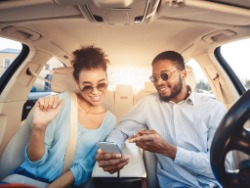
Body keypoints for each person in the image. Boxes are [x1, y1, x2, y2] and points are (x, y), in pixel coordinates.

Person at [96, 51, 232, 187]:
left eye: (165, 75)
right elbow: (121, 131)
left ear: (183, 75)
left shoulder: (214, 109)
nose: (159, 82)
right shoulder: (148, 104)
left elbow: (223, 166)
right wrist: (112, 152)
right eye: (154, 78)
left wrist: (169, 150)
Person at [9, 46, 116, 187]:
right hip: (28, 179)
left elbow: (85, 167)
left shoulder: (110, 121)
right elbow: (34, 161)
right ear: (78, 84)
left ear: (107, 80)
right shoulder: (60, 103)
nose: (95, 92)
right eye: (87, 86)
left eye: (101, 84)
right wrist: (39, 128)